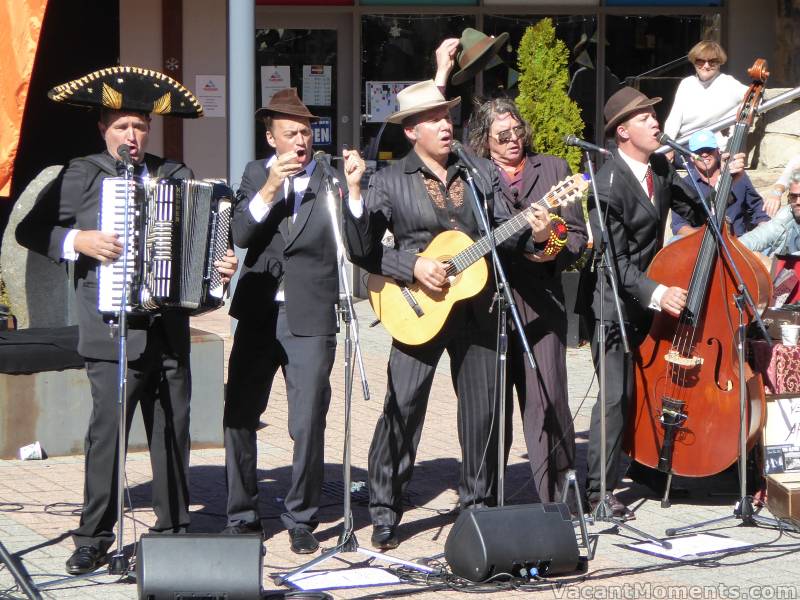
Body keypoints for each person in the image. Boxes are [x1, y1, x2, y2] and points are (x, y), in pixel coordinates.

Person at [16, 66, 237, 575]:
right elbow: (33, 229)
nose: (132, 137)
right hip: (110, 331)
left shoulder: (174, 175)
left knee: (172, 432)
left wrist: (219, 264)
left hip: (168, 329)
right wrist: (80, 243)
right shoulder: (81, 174)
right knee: (107, 438)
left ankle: (175, 528)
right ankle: (93, 535)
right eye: (121, 127)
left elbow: (207, 241)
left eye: (139, 127)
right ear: (103, 129)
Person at [343, 79, 545, 550]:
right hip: (415, 307)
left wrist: (533, 231)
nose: (445, 124)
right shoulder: (390, 180)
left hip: (477, 308)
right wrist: (412, 264)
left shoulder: (477, 171)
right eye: (433, 119)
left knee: (482, 414)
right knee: (404, 408)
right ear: (411, 131)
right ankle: (386, 507)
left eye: (447, 116)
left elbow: (502, 233)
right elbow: (364, 251)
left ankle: (477, 507)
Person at [579, 86, 748, 519]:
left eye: (654, 115)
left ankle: (650, 466)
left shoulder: (658, 165)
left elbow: (704, 212)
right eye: (644, 118)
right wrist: (657, 291)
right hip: (613, 305)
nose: (656, 122)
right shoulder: (606, 184)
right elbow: (612, 263)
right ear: (621, 133)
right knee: (616, 397)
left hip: (651, 306)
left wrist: (721, 177)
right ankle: (597, 493)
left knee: (646, 392)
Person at [221, 88, 365, 554]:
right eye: (290, 134)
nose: (300, 141)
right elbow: (241, 233)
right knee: (240, 415)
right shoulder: (252, 174)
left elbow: (359, 243)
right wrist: (268, 189)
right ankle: (242, 514)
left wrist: (357, 192)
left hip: (312, 312)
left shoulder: (331, 179)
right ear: (272, 137)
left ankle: (302, 516)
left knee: (307, 421)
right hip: (260, 310)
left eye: (305, 132)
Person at [466, 97, 588, 503]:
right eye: (503, 135)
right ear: (485, 140)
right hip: (487, 302)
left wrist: (545, 243)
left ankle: (559, 498)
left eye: (518, 131)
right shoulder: (474, 172)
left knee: (547, 399)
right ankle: (487, 500)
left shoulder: (553, 169)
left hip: (541, 301)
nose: (514, 140)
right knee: (490, 409)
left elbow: (576, 236)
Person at [670, 128, 768, 238]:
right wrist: (705, 238)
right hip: (701, 245)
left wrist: (762, 231)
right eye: (698, 151)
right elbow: (679, 226)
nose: (704, 154)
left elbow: (758, 208)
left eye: (709, 149)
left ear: (718, 151)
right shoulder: (685, 184)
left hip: (739, 242)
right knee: (674, 241)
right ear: (691, 157)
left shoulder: (737, 175)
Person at [663, 40, 748, 149]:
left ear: (719, 63)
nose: (706, 66)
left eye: (712, 62)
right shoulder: (687, 83)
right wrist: (668, 146)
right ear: (694, 62)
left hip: (712, 147)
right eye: (700, 61)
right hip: (685, 143)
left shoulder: (729, 83)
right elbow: (674, 119)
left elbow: (754, 97)